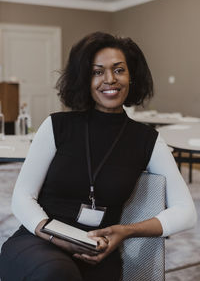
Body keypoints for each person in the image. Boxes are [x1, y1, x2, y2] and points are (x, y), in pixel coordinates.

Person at [0, 32, 197, 281]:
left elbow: (186, 212)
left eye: (119, 70)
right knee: (55, 273)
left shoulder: (147, 140)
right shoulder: (57, 126)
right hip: (40, 242)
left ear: (131, 76)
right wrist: (52, 235)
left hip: (98, 252)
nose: (109, 79)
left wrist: (125, 232)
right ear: (84, 79)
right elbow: (21, 197)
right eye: (97, 72)